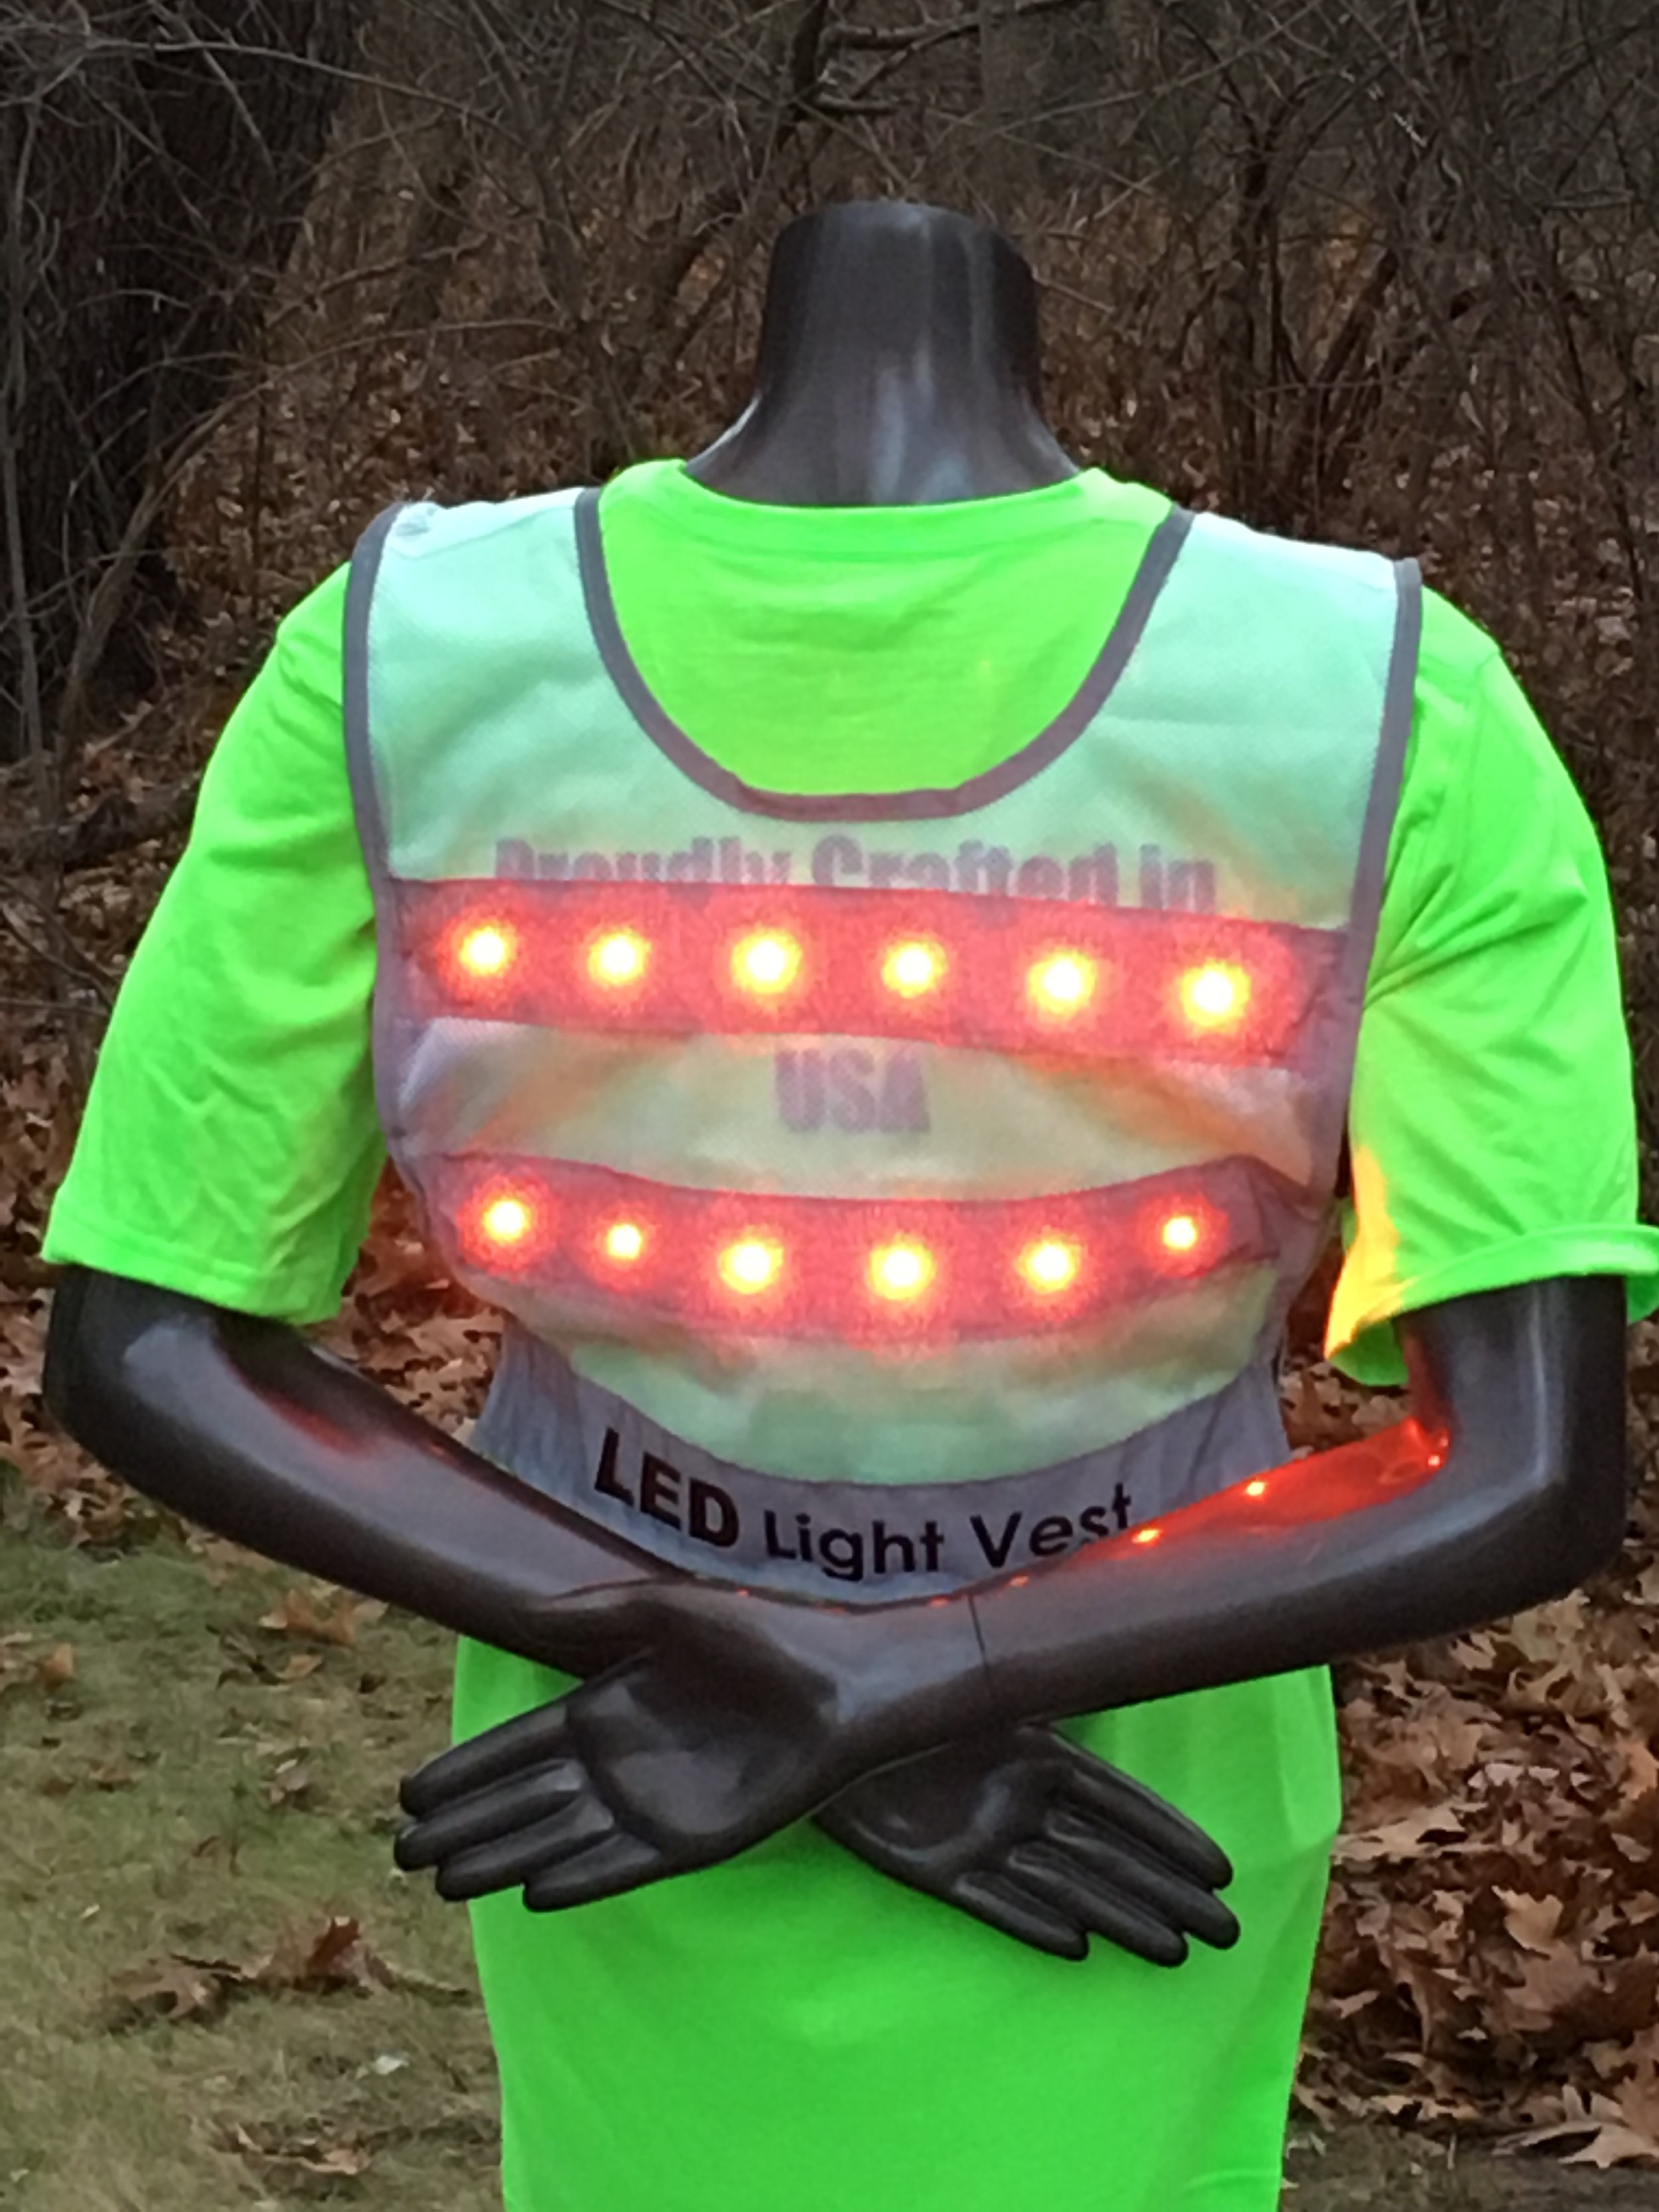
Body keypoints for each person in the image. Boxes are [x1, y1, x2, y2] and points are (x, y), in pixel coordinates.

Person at [40, 200, 1659, 2212]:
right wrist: (908, 1677)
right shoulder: (1382, 690)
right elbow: (1524, 1468)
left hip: (644, 1735)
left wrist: (725, 1652)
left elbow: (141, 1335)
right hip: (1090, 1730)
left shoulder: (406, 654)